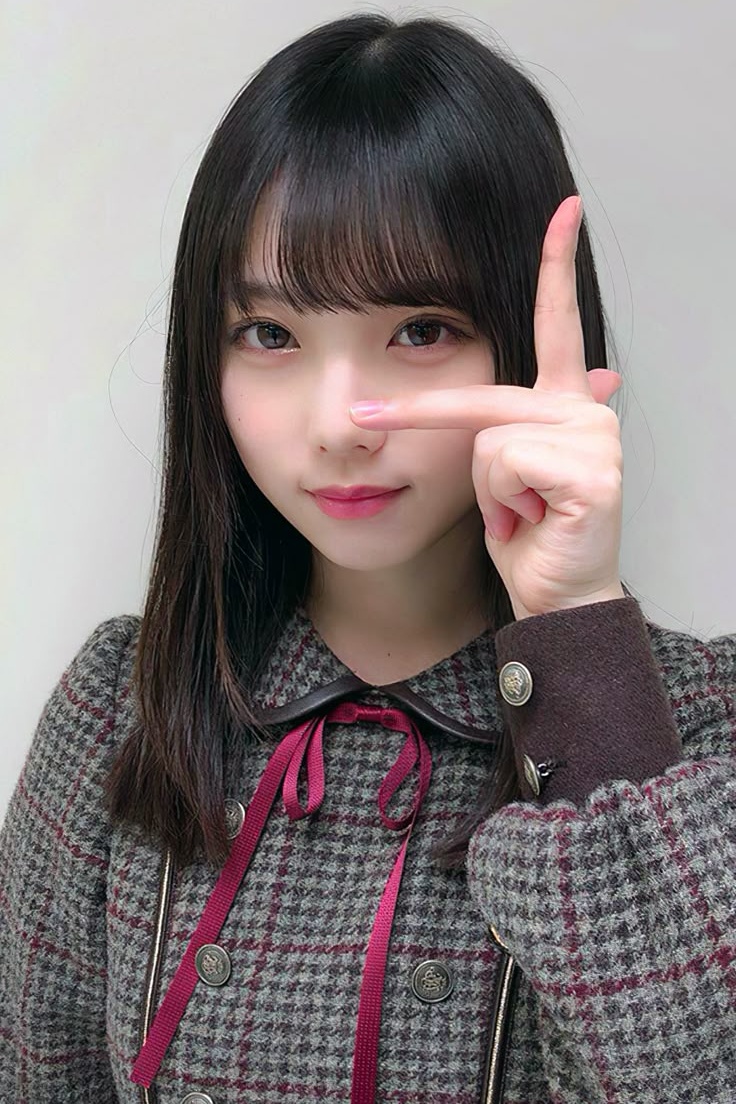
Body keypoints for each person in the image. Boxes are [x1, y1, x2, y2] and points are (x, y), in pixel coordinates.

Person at [0, 11, 733, 1104]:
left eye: (421, 330)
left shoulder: (693, 725)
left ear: (529, 340)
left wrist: (575, 634)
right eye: (271, 335)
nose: (338, 423)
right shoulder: (124, 708)